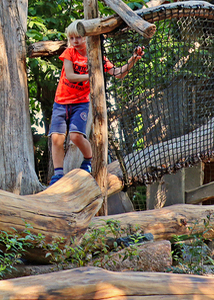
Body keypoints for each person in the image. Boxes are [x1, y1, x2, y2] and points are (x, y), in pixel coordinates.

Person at [48, 20, 144, 186]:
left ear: (86, 38)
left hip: (80, 103)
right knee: (56, 138)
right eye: (72, 38)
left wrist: (133, 60)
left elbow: (118, 73)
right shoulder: (69, 53)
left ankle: (87, 160)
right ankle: (58, 175)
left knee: (76, 136)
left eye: (78, 37)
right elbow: (70, 75)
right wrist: (93, 76)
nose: (75, 41)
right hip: (61, 102)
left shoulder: (97, 57)